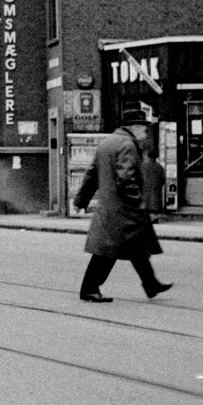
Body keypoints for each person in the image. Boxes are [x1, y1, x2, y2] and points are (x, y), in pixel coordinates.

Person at [73, 109, 173, 303]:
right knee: (108, 252)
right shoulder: (127, 145)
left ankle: (151, 284)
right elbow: (126, 178)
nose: (146, 132)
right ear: (134, 127)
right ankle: (89, 289)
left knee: (138, 247)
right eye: (144, 127)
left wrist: (81, 200)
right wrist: (137, 202)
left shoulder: (107, 142)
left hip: (112, 207)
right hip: (124, 209)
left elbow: (92, 175)